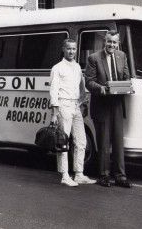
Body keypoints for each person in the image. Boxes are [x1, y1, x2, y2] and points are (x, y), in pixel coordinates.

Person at [84, 30, 132, 188]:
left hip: (117, 104)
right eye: (109, 41)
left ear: (118, 43)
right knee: (103, 141)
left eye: (115, 42)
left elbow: (126, 76)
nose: (112, 45)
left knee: (118, 141)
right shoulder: (94, 58)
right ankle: (104, 175)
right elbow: (89, 82)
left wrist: (127, 86)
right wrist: (101, 88)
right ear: (104, 41)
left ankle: (120, 176)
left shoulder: (122, 56)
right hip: (102, 104)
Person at [50, 38, 96, 187]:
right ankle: (64, 175)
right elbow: (54, 90)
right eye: (68, 49)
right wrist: (54, 113)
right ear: (63, 49)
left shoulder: (77, 67)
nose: (71, 51)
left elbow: (81, 87)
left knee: (81, 141)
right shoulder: (57, 68)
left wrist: (83, 103)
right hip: (63, 105)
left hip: (76, 106)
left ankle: (79, 173)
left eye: (74, 49)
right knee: (63, 141)